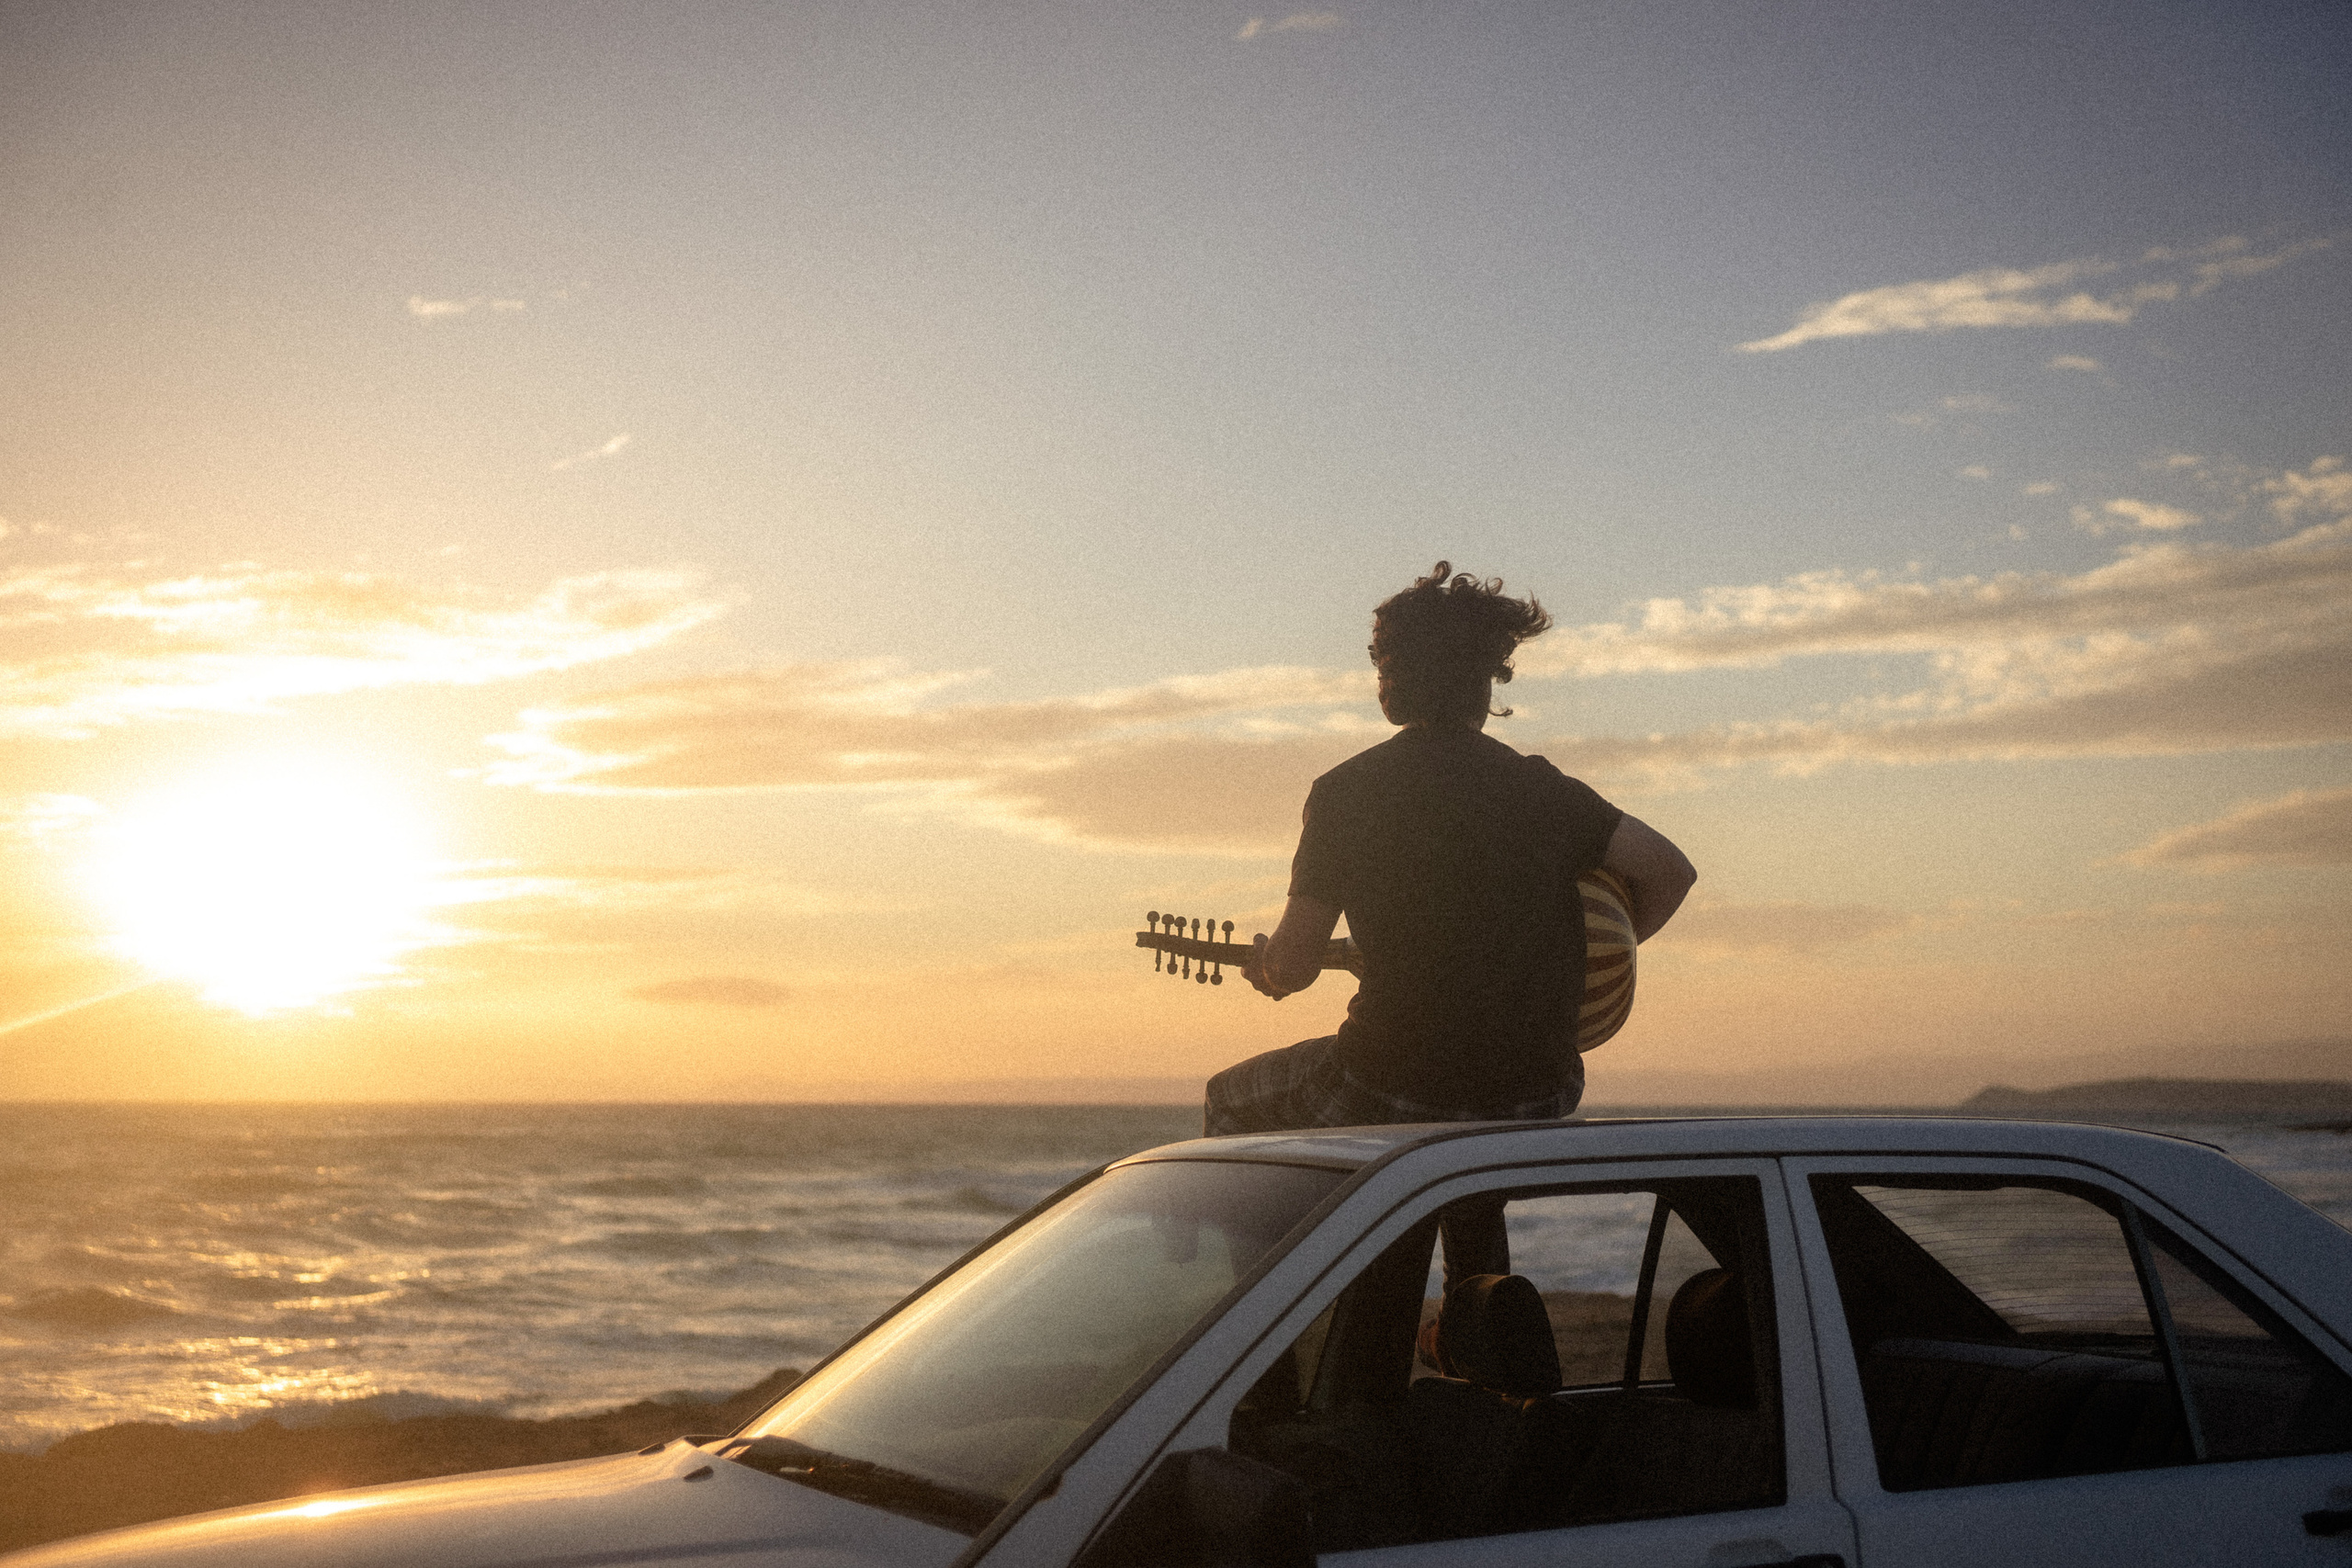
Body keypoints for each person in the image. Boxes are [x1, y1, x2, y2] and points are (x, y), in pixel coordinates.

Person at [1211, 560, 1695, 1138]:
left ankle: (1339, 1231)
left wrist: (1274, 972)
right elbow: (1671, 872)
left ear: (1394, 682)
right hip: (1540, 1090)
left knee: (1229, 1099)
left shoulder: (1346, 792)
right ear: (1485, 685)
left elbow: (1292, 964)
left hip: (1393, 1081)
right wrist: (1596, 950)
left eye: (1382, 669)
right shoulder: (1541, 788)